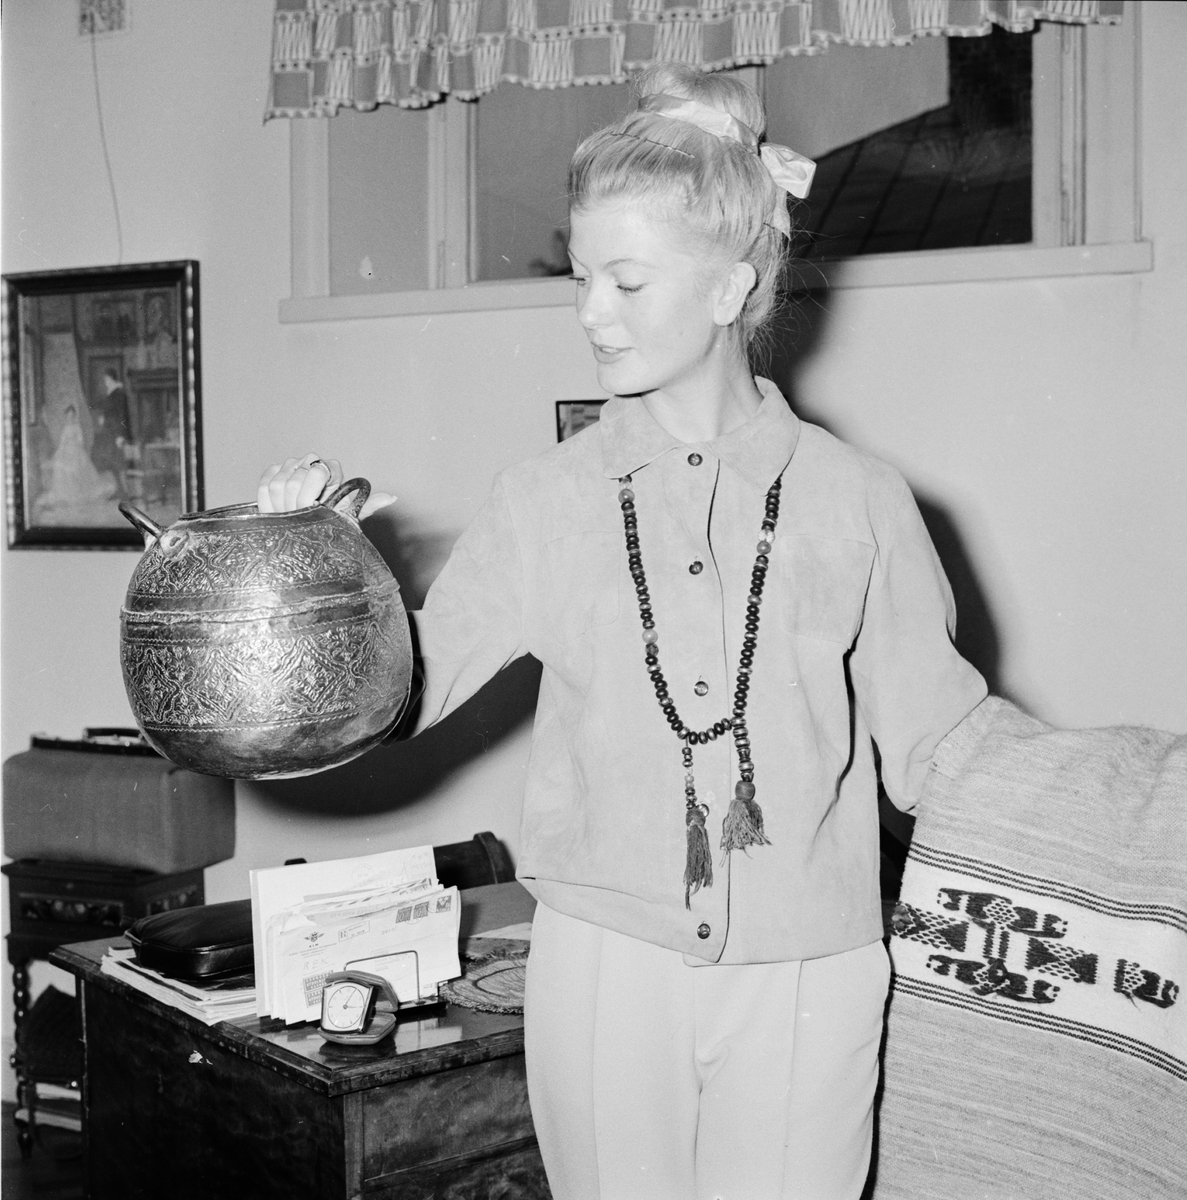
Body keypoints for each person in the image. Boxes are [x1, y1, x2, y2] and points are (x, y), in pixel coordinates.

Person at [259, 63, 986, 1200]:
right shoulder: (541, 499)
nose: (590, 312)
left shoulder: (858, 500)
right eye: (583, 277)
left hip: (807, 969)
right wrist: (299, 582)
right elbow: (397, 690)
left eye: (627, 282)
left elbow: (945, 747)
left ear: (726, 287)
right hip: (602, 970)